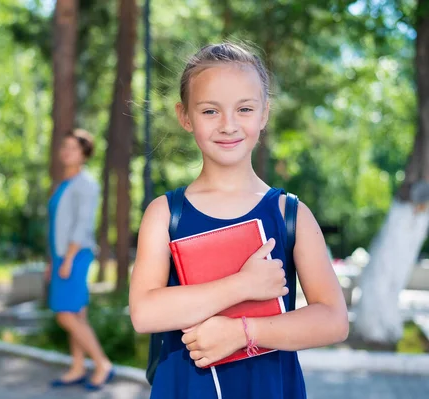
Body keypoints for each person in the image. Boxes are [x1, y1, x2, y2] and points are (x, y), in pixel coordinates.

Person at [129, 42, 349, 398]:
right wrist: (242, 285)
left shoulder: (290, 215)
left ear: (264, 114)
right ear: (185, 116)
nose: (228, 125)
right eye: (210, 111)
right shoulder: (166, 213)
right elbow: (144, 313)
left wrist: (243, 333)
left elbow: (334, 321)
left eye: (244, 109)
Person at [46, 129, 114, 390]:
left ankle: (102, 363)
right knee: (76, 315)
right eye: (64, 146)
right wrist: (53, 261)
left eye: (73, 148)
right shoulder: (66, 183)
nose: (66, 151)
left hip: (75, 255)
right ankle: (77, 367)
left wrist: (68, 259)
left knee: (65, 315)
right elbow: (58, 227)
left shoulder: (86, 183)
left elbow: (82, 225)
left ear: (84, 154)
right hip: (62, 256)